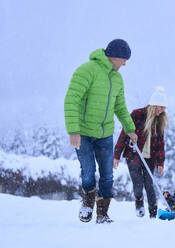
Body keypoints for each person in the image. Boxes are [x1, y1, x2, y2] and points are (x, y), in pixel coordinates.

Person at [64, 39, 138, 224]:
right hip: (84, 133)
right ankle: (88, 202)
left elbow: (120, 107)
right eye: (124, 60)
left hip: (105, 134)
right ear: (116, 57)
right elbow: (71, 99)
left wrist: (130, 129)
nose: (125, 64)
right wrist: (73, 130)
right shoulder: (87, 70)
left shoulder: (117, 79)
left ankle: (102, 213)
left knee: (107, 175)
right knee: (88, 171)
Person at [114, 86, 168, 218]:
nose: (162, 111)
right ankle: (139, 203)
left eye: (164, 108)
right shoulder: (137, 115)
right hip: (134, 156)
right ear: (153, 105)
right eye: (160, 107)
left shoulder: (159, 121)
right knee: (138, 184)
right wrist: (116, 156)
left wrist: (161, 163)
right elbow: (124, 135)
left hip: (150, 157)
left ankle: (153, 213)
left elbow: (160, 144)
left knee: (150, 184)